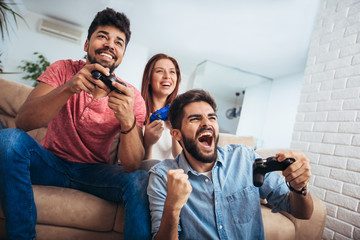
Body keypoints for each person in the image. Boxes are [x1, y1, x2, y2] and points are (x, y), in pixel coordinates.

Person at [0, 8, 151, 240]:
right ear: (86, 44)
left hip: (94, 173)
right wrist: (69, 87)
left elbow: (131, 165)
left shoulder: (131, 96)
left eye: (118, 42)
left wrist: (127, 120)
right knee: (8, 140)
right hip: (50, 163)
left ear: (122, 54)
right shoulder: (63, 69)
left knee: (141, 180)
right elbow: (23, 122)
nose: (110, 44)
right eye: (103, 36)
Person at [147, 89, 314, 240]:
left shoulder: (245, 158)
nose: (207, 123)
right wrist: (172, 207)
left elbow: (302, 213)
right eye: (195, 119)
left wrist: (299, 186)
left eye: (211, 117)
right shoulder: (162, 176)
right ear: (177, 134)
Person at [140, 53, 182, 160]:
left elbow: (182, 161)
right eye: (160, 71)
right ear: (148, 78)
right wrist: (147, 143)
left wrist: (174, 130)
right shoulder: (136, 112)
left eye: (172, 72)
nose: (167, 76)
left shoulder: (180, 115)